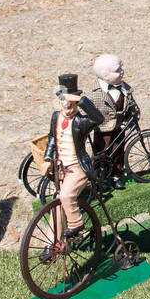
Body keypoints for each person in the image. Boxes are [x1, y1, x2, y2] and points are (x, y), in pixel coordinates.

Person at [42, 74, 106, 248]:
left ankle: (76, 223)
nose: (67, 107)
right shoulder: (56, 117)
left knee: (66, 195)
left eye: (71, 103)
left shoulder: (81, 121)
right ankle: (52, 243)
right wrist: (48, 158)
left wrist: (82, 99)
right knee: (57, 203)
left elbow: (99, 118)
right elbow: (52, 139)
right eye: (64, 102)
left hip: (78, 168)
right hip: (61, 168)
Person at [85, 53, 137, 190]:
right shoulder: (95, 93)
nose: (122, 72)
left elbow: (131, 104)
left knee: (119, 150)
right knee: (101, 152)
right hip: (103, 129)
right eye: (117, 70)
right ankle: (101, 178)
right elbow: (88, 111)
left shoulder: (124, 88)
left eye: (121, 68)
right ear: (105, 75)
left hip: (119, 127)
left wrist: (133, 115)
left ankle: (116, 175)